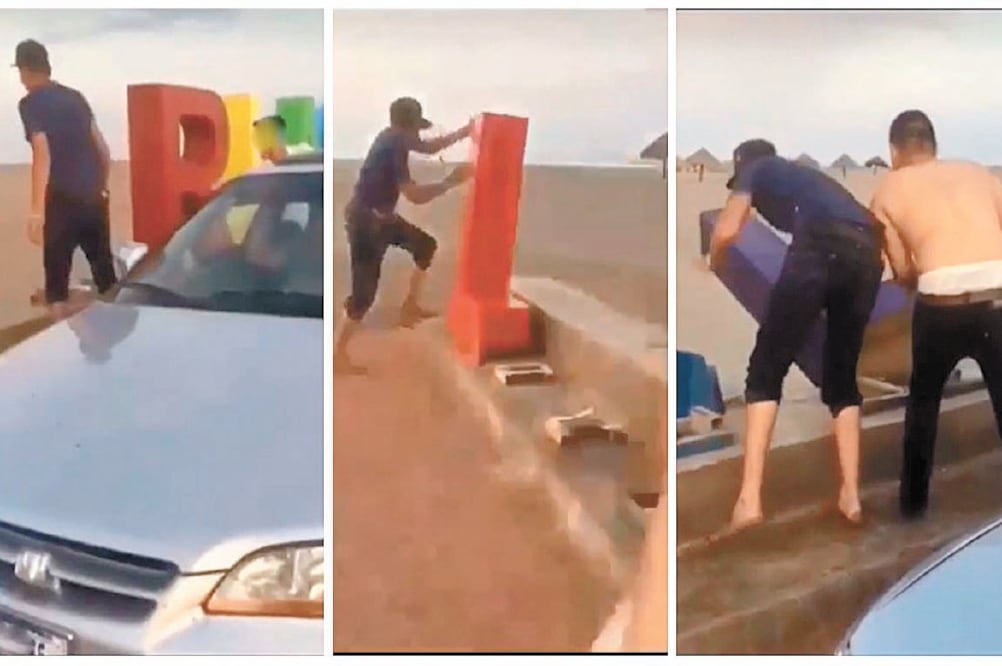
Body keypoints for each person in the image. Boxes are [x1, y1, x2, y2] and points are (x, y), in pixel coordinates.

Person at [709, 139, 884, 530]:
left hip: (819, 247)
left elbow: (726, 229)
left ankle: (749, 501)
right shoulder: (812, 179)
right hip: (869, 252)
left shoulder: (757, 169)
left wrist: (714, 261)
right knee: (841, 378)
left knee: (765, 370)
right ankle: (851, 496)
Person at [870, 110, 1002, 519]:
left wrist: (915, 278)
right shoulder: (979, 172)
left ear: (894, 151)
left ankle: (912, 509)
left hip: (941, 303)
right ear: (933, 144)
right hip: (998, 295)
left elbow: (901, 267)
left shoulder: (888, 189)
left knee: (923, 404)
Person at [333, 97, 473, 374]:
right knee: (363, 298)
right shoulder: (394, 145)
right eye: (417, 130)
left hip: (384, 220)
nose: (419, 136)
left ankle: (410, 307)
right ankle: (337, 355)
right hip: (366, 223)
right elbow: (414, 195)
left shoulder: (395, 137)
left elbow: (428, 147)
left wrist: (464, 132)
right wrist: (451, 182)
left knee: (425, 246)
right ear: (408, 127)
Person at [15, 39, 116, 320]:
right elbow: (103, 149)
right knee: (105, 275)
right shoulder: (76, 97)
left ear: (24, 70)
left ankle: (60, 349)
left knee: (56, 283)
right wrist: (102, 187)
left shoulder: (30, 104)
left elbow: (42, 153)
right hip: (94, 200)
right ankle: (115, 340)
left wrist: (36, 211)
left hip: (62, 202)